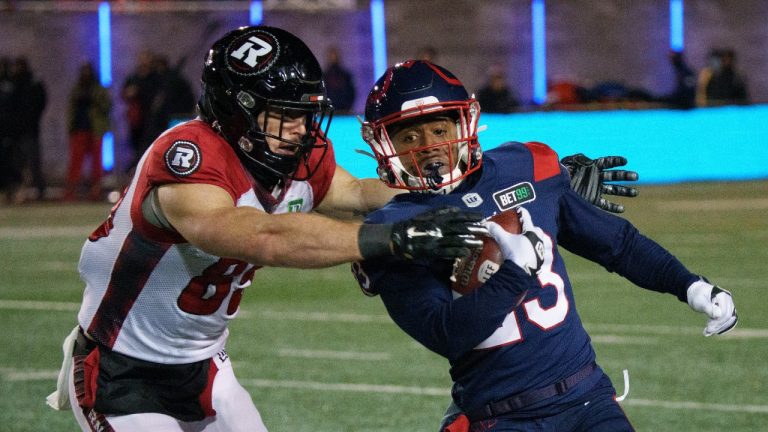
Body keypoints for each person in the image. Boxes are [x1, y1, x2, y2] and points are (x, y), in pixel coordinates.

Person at [47, 26, 485, 432]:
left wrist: (452, 198)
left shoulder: (292, 152)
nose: (301, 129)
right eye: (285, 115)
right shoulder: (190, 154)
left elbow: (356, 193)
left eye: (306, 114)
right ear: (239, 112)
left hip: (205, 364)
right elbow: (259, 236)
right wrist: (388, 239)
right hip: (123, 371)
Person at [352, 60, 738, 432]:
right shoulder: (391, 229)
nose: (428, 148)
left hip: (587, 397)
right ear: (382, 143)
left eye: (439, 130)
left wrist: (690, 285)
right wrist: (515, 272)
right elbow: (445, 333)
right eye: (409, 136)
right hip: (500, 415)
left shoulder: (525, 166)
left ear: (465, 122)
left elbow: (618, 244)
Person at [64, 62, 112, 201]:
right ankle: (71, 191)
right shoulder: (76, 90)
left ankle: (95, 191)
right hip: (79, 129)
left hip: (95, 129)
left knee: (97, 163)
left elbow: (107, 106)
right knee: (75, 162)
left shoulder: (98, 90)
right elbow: (71, 110)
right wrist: (71, 127)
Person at [6, 56, 47, 202]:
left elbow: (40, 103)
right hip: (14, 132)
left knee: (33, 161)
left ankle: (38, 190)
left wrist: (30, 119)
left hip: (29, 130)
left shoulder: (32, 83)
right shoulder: (11, 83)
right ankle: (15, 190)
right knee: (16, 163)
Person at [323, 46, 356, 114]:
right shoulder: (324, 76)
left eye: (335, 55)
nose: (333, 57)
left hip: (344, 111)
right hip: (328, 112)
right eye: (331, 55)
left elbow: (351, 92)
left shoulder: (346, 76)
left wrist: (347, 107)